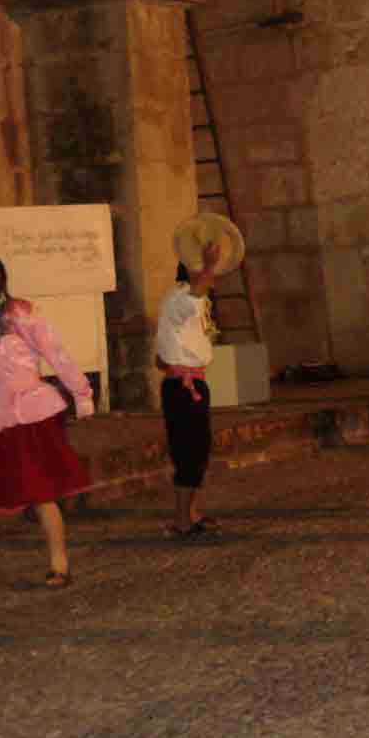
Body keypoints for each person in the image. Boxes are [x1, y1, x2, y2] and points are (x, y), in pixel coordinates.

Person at [0, 250, 93, 588]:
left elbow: (54, 351)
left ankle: (59, 562)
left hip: (25, 411)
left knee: (41, 490)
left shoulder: (19, 313)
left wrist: (81, 393)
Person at [159, 213, 239, 537]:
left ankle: (190, 513)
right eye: (205, 274)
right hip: (183, 386)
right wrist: (208, 263)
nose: (211, 279)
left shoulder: (185, 303)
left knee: (197, 449)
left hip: (188, 381)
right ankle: (181, 520)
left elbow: (159, 354)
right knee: (189, 451)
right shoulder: (181, 299)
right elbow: (199, 289)